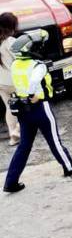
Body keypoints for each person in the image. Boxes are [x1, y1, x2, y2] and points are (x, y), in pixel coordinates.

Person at [3, 30, 72, 193]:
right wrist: (31, 95)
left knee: (24, 146)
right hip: (40, 107)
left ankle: (10, 181)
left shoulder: (16, 64)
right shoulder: (38, 65)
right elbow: (34, 81)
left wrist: (26, 97)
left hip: (23, 110)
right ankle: (69, 166)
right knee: (54, 140)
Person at [0, 13, 20, 146]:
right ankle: (17, 131)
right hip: (14, 81)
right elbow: (21, 59)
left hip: (1, 82)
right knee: (26, 106)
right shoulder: (11, 42)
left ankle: (13, 138)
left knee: (9, 107)